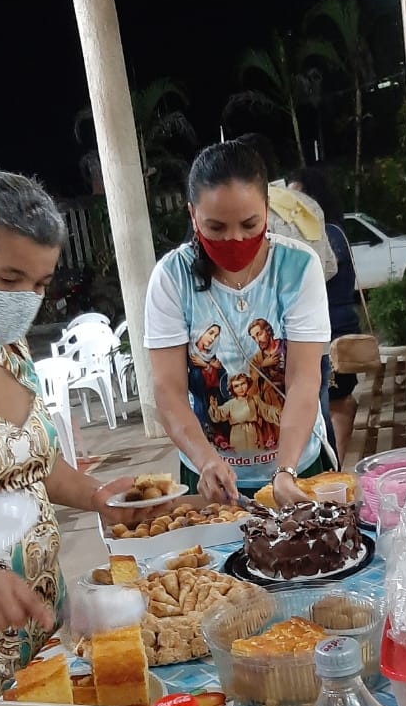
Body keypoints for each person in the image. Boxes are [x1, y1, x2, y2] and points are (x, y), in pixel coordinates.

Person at [0, 170, 142, 698]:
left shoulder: (5, 349)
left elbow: (34, 463)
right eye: (8, 279)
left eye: (39, 283)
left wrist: (100, 497)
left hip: (34, 639)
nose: (25, 300)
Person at [145, 140, 331, 505]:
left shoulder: (298, 268)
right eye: (216, 227)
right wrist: (205, 460)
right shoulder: (171, 277)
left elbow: (304, 379)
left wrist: (285, 471)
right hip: (209, 474)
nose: (235, 239)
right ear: (193, 215)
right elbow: (168, 389)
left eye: (250, 224)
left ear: (267, 210)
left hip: (297, 465)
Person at [237, 132, 338, 459]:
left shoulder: (244, 212)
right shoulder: (306, 205)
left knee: (269, 431)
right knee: (319, 420)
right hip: (313, 338)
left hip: (264, 347)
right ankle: (331, 480)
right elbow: (329, 268)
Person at [288, 165, 361, 469]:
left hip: (334, 333)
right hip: (337, 327)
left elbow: (313, 275)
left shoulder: (324, 234)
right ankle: (337, 465)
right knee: (337, 400)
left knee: (334, 403)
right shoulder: (333, 231)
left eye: (298, 197)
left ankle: (336, 467)